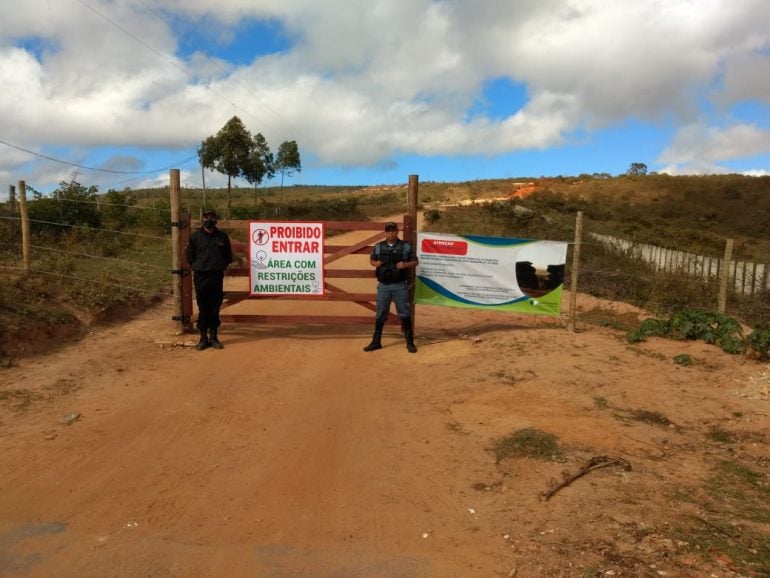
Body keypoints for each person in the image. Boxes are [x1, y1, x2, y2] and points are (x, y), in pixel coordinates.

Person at [364, 221, 419, 353]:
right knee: (380, 313)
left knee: (404, 313)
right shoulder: (378, 247)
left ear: (397, 231)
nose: (390, 233)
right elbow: (372, 260)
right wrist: (375, 263)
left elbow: (415, 261)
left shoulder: (405, 247)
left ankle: (410, 342)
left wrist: (405, 265)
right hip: (383, 286)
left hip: (400, 285)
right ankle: (376, 342)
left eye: (393, 230)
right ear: (385, 232)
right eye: (388, 230)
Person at [186, 210, 233, 350]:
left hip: (216, 276)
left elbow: (228, 257)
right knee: (203, 307)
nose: (209, 219)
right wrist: (199, 267)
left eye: (212, 217)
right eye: (206, 217)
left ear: (216, 220)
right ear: (202, 219)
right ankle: (202, 338)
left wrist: (219, 266)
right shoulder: (195, 237)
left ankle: (214, 337)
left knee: (215, 307)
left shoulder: (222, 237)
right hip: (201, 276)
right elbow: (190, 257)